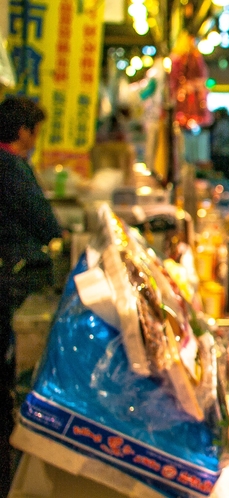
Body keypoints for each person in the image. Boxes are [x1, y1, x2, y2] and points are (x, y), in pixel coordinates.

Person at [0, 96, 62, 494]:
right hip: (11, 278)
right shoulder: (10, 166)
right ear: (24, 131)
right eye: (36, 130)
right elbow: (44, 222)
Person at [209, 108, 229, 181]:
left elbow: (225, 137)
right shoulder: (222, 123)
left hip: (223, 152)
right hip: (222, 151)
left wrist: (217, 147)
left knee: (224, 172)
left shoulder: (223, 124)